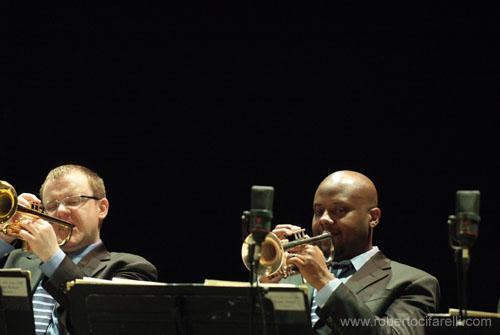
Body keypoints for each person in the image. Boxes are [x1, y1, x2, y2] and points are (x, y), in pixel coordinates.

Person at [267, 170, 440, 335]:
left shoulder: (414, 283)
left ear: (373, 217)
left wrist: (324, 282)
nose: (324, 219)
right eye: (318, 211)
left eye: (340, 210)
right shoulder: (288, 277)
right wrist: (263, 282)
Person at [0, 164, 158, 335]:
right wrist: (3, 238)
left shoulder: (131, 268)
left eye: (73, 201)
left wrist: (53, 258)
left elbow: (104, 323)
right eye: (51, 206)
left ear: (102, 208)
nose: (60, 211)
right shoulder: (16, 259)